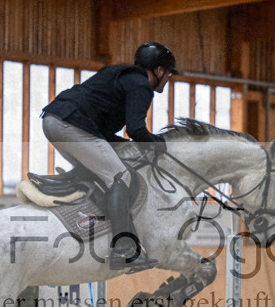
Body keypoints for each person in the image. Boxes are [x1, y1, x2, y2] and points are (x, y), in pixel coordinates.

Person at [41, 42, 178, 270]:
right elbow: (135, 130)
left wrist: (127, 146)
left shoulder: (119, 74)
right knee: (119, 176)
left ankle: (101, 234)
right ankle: (123, 249)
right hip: (71, 125)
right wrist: (159, 143)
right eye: (169, 73)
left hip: (53, 121)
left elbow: (103, 129)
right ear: (160, 70)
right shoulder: (141, 85)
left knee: (102, 174)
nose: (168, 78)